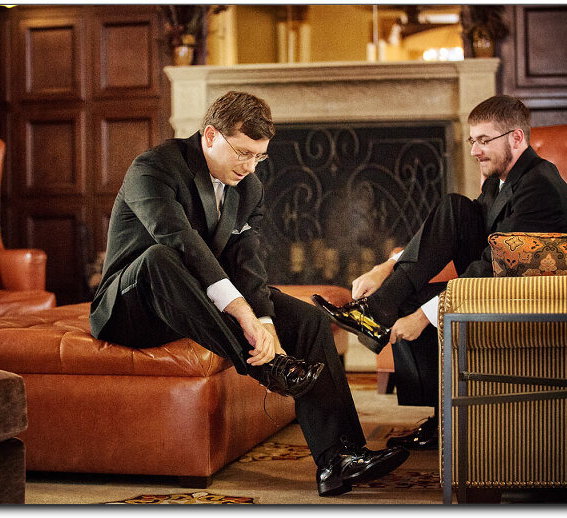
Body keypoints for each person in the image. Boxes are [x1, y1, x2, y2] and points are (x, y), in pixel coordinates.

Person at [89, 91, 409, 497]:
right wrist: (242, 313)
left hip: (194, 306)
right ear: (210, 136)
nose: (250, 166)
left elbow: (246, 263)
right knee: (160, 258)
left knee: (308, 320)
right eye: (243, 153)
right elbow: (181, 241)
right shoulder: (153, 167)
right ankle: (267, 368)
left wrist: (265, 320)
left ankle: (339, 459)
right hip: (133, 307)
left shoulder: (248, 187)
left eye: (260, 157)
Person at [314, 95, 567, 450]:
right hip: (500, 281)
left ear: (516, 138)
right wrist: (385, 268)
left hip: (530, 300)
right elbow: (456, 229)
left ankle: (441, 411)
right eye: (472, 140)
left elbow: (493, 266)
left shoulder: (539, 186)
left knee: (419, 307)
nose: (474, 150)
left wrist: (425, 316)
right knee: (454, 208)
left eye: (484, 140)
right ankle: (381, 319)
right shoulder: (500, 181)